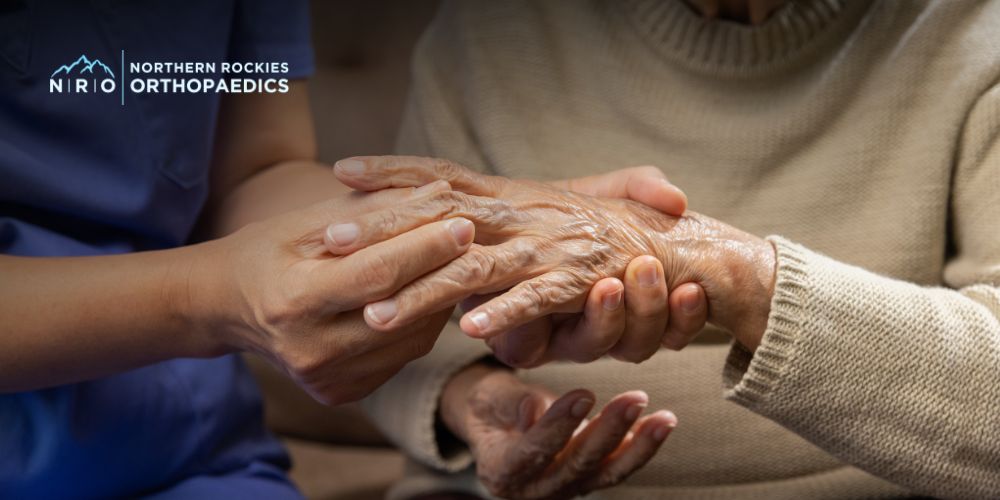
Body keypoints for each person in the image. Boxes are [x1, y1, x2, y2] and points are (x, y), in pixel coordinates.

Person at [0, 1, 697, 496]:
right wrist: (214, 298)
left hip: (190, 457)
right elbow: (225, 281)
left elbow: (253, 173)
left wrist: (489, 219)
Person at [356, 0, 1000, 498]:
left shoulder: (975, 33)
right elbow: (395, 323)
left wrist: (730, 271)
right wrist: (471, 402)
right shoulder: (484, 32)